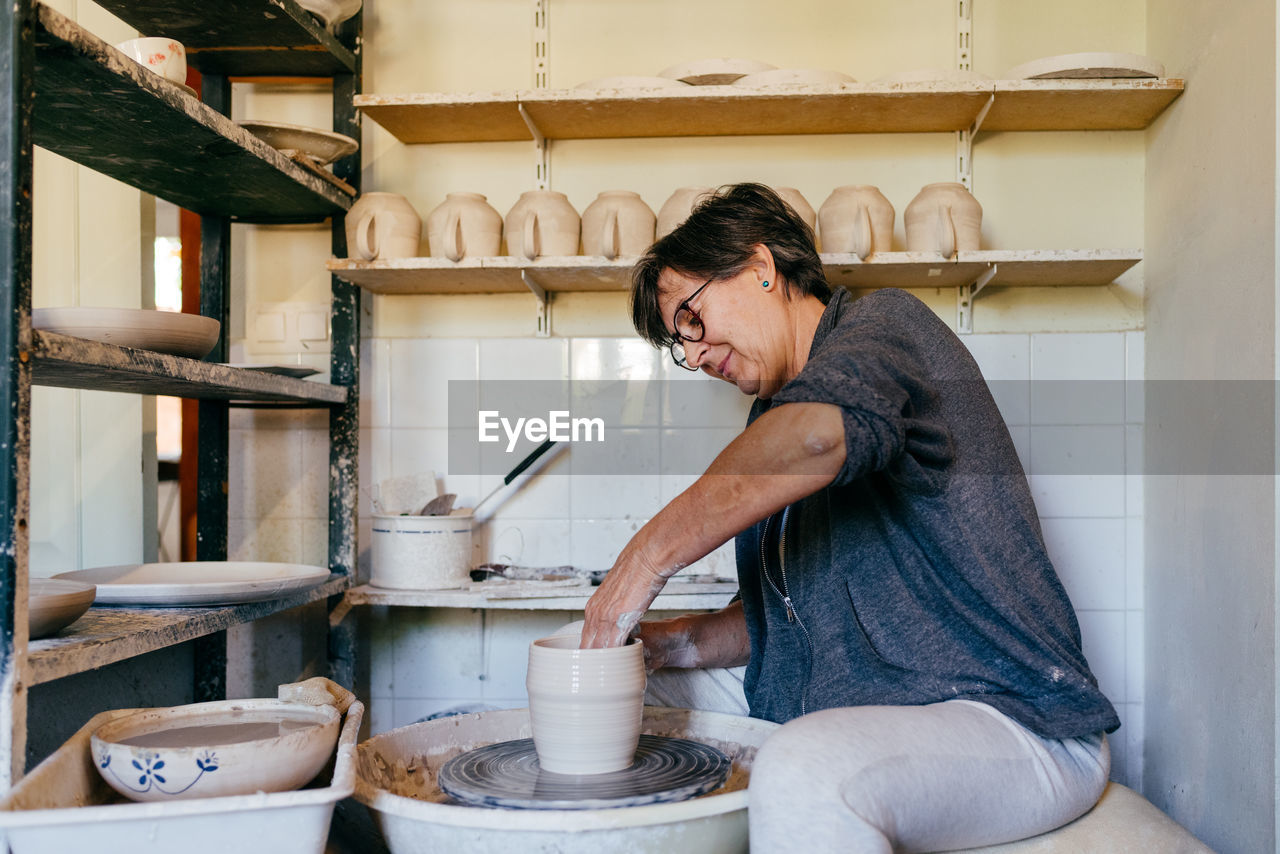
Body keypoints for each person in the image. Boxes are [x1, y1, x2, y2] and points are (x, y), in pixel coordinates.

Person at [580, 183, 1119, 852]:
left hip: (1015, 721)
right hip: (877, 705)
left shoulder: (884, 328)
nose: (691, 354)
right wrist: (673, 642)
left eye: (690, 317)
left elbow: (814, 438)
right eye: (676, 343)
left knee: (805, 767)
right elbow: (788, 617)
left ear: (760, 266)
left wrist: (643, 562)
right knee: (609, 679)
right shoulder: (774, 418)